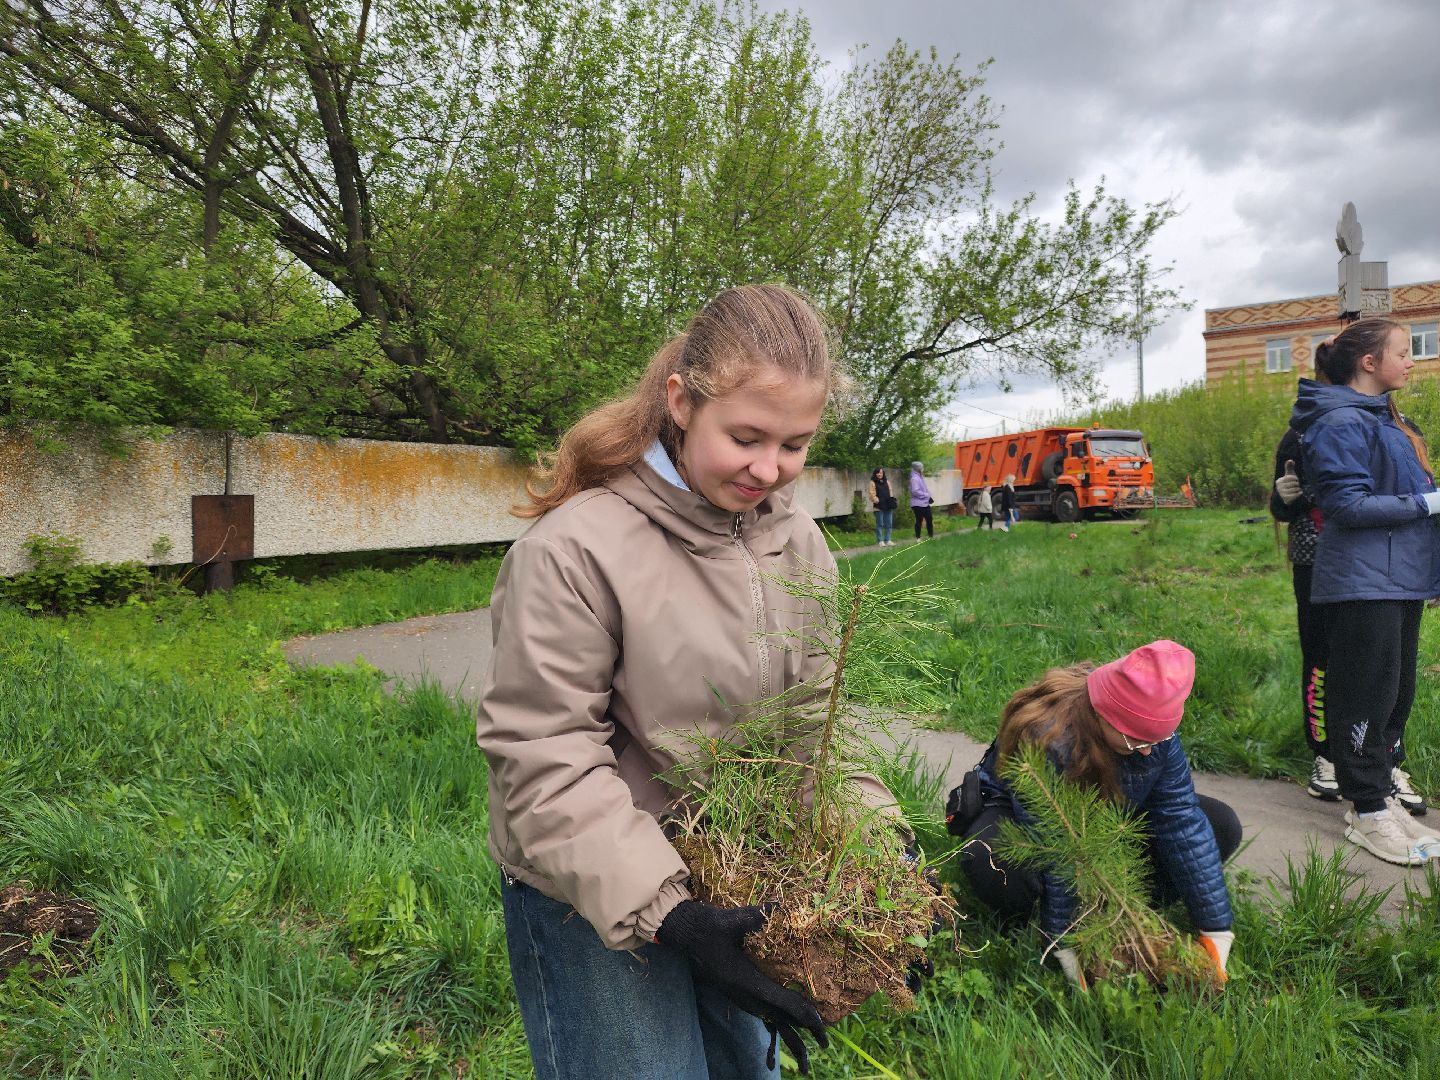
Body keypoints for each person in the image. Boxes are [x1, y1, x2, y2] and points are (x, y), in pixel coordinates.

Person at [475, 285, 917, 1079]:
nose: (768, 469)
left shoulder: (797, 541)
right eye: (746, 436)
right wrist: (671, 915)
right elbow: (543, 759)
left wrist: (881, 841)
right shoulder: (576, 550)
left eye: (794, 444)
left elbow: (814, 724)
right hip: (593, 892)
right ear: (681, 402)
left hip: (739, 877)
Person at [945, 640, 1238, 986]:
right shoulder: (1049, 738)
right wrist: (1064, 943)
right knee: (994, 864)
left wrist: (1216, 929)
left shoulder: (1154, 742)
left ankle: (1119, 904)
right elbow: (1060, 848)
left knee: (1220, 824)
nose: (1145, 752)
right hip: (1027, 824)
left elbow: (1181, 821)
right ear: (1102, 715)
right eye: (1133, 741)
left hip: (1106, 821)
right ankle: (1039, 916)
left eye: (1154, 741)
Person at [1292, 317, 1440, 865]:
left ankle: (1379, 799)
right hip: (1362, 582)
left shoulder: (1385, 420)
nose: (1412, 360)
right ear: (1368, 363)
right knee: (1365, 695)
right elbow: (1346, 507)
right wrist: (1431, 503)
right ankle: (1367, 811)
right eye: (1403, 352)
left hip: (1399, 579)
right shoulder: (1339, 422)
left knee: (1394, 693)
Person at [1269, 421, 1336, 799]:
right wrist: (1283, 497)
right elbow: (1281, 507)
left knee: (1370, 661)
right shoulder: (1298, 434)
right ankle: (1324, 755)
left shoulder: (1389, 422)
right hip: (1314, 562)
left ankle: (1373, 754)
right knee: (1319, 657)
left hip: (1372, 562)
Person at [869, 466, 897, 546]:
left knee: (889, 524)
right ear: (875, 474)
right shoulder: (872, 482)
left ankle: (888, 540)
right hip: (878, 506)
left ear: (883, 473)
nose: (879, 474)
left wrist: (892, 500)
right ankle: (880, 540)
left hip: (888, 505)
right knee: (880, 524)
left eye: (881, 473)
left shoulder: (887, 481)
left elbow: (890, 491)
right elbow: (871, 494)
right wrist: (876, 500)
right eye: (878, 473)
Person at [909, 461, 934, 539]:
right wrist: (926, 495)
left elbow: (924, 489)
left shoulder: (920, 477)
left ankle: (930, 536)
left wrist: (929, 496)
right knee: (919, 521)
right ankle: (918, 538)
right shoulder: (914, 478)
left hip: (925, 503)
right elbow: (915, 491)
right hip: (917, 504)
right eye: (921, 468)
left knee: (929, 519)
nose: (923, 469)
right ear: (918, 469)